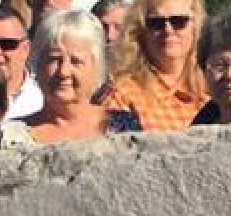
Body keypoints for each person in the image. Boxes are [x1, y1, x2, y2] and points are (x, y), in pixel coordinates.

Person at [14, 9, 143, 143]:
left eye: (76, 61)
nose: (63, 71)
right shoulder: (11, 137)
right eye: (54, 59)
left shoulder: (124, 128)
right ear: (38, 64)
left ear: (96, 67)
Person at [104, 0, 209, 132]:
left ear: (196, 28)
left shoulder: (214, 89)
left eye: (179, 21)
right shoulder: (121, 94)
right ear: (140, 32)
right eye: (156, 23)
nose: (168, 30)